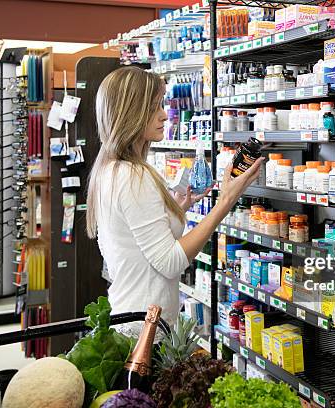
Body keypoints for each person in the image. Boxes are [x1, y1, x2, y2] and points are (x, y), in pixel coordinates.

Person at [86, 66, 263, 337]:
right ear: (130, 113)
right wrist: (225, 201)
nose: (163, 115)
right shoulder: (135, 175)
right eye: (154, 107)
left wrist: (179, 207)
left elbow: (135, 241)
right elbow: (169, 262)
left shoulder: (109, 169)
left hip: (130, 314)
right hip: (145, 327)